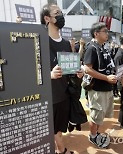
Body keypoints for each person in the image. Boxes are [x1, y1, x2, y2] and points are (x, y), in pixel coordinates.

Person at [40, 4, 82, 154]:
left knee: (59, 129)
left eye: (61, 12)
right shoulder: (39, 41)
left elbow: (70, 71)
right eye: (56, 13)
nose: (61, 16)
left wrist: (78, 73)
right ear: (47, 18)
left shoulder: (65, 43)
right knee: (50, 130)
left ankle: (61, 150)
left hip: (64, 94)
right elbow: (31, 71)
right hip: (48, 97)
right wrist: (49, 75)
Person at [83, 22, 117, 148]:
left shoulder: (102, 47)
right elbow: (87, 69)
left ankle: (96, 133)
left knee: (100, 115)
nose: (107, 33)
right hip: (97, 89)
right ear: (96, 33)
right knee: (96, 115)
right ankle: (92, 136)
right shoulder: (92, 48)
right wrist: (106, 78)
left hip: (106, 88)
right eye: (105, 31)